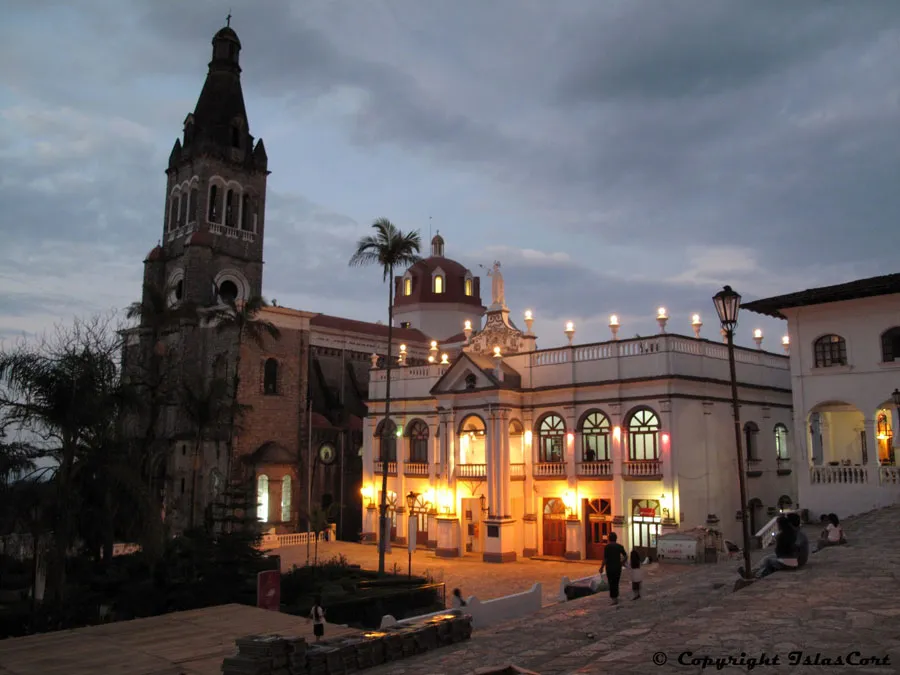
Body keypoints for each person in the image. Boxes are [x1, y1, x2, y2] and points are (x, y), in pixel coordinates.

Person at [599, 532, 628, 605]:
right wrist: (622, 563)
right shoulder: (619, 546)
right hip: (618, 567)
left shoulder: (607, 547)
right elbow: (626, 556)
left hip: (610, 567)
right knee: (616, 582)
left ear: (609, 539)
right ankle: (616, 597)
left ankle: (614, 599)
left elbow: (605, 558)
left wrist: (602, 567)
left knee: (611, 583)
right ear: (616, 538)